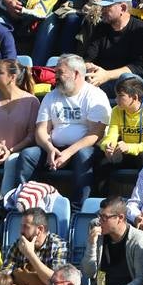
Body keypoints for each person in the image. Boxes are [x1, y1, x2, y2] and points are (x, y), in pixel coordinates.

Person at [31, 55, 110, 204]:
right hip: (54, 150)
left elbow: (95, 134)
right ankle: (26, 205)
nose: (56, 77)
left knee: (83, 155)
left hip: (85, 149)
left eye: (60, 72)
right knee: (28, 155)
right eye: (56, 72)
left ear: (76, 74)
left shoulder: (95, 96)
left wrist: (68, 153)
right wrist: (49, 149)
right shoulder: (50, 96)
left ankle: (78, 208)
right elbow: (41, 130)